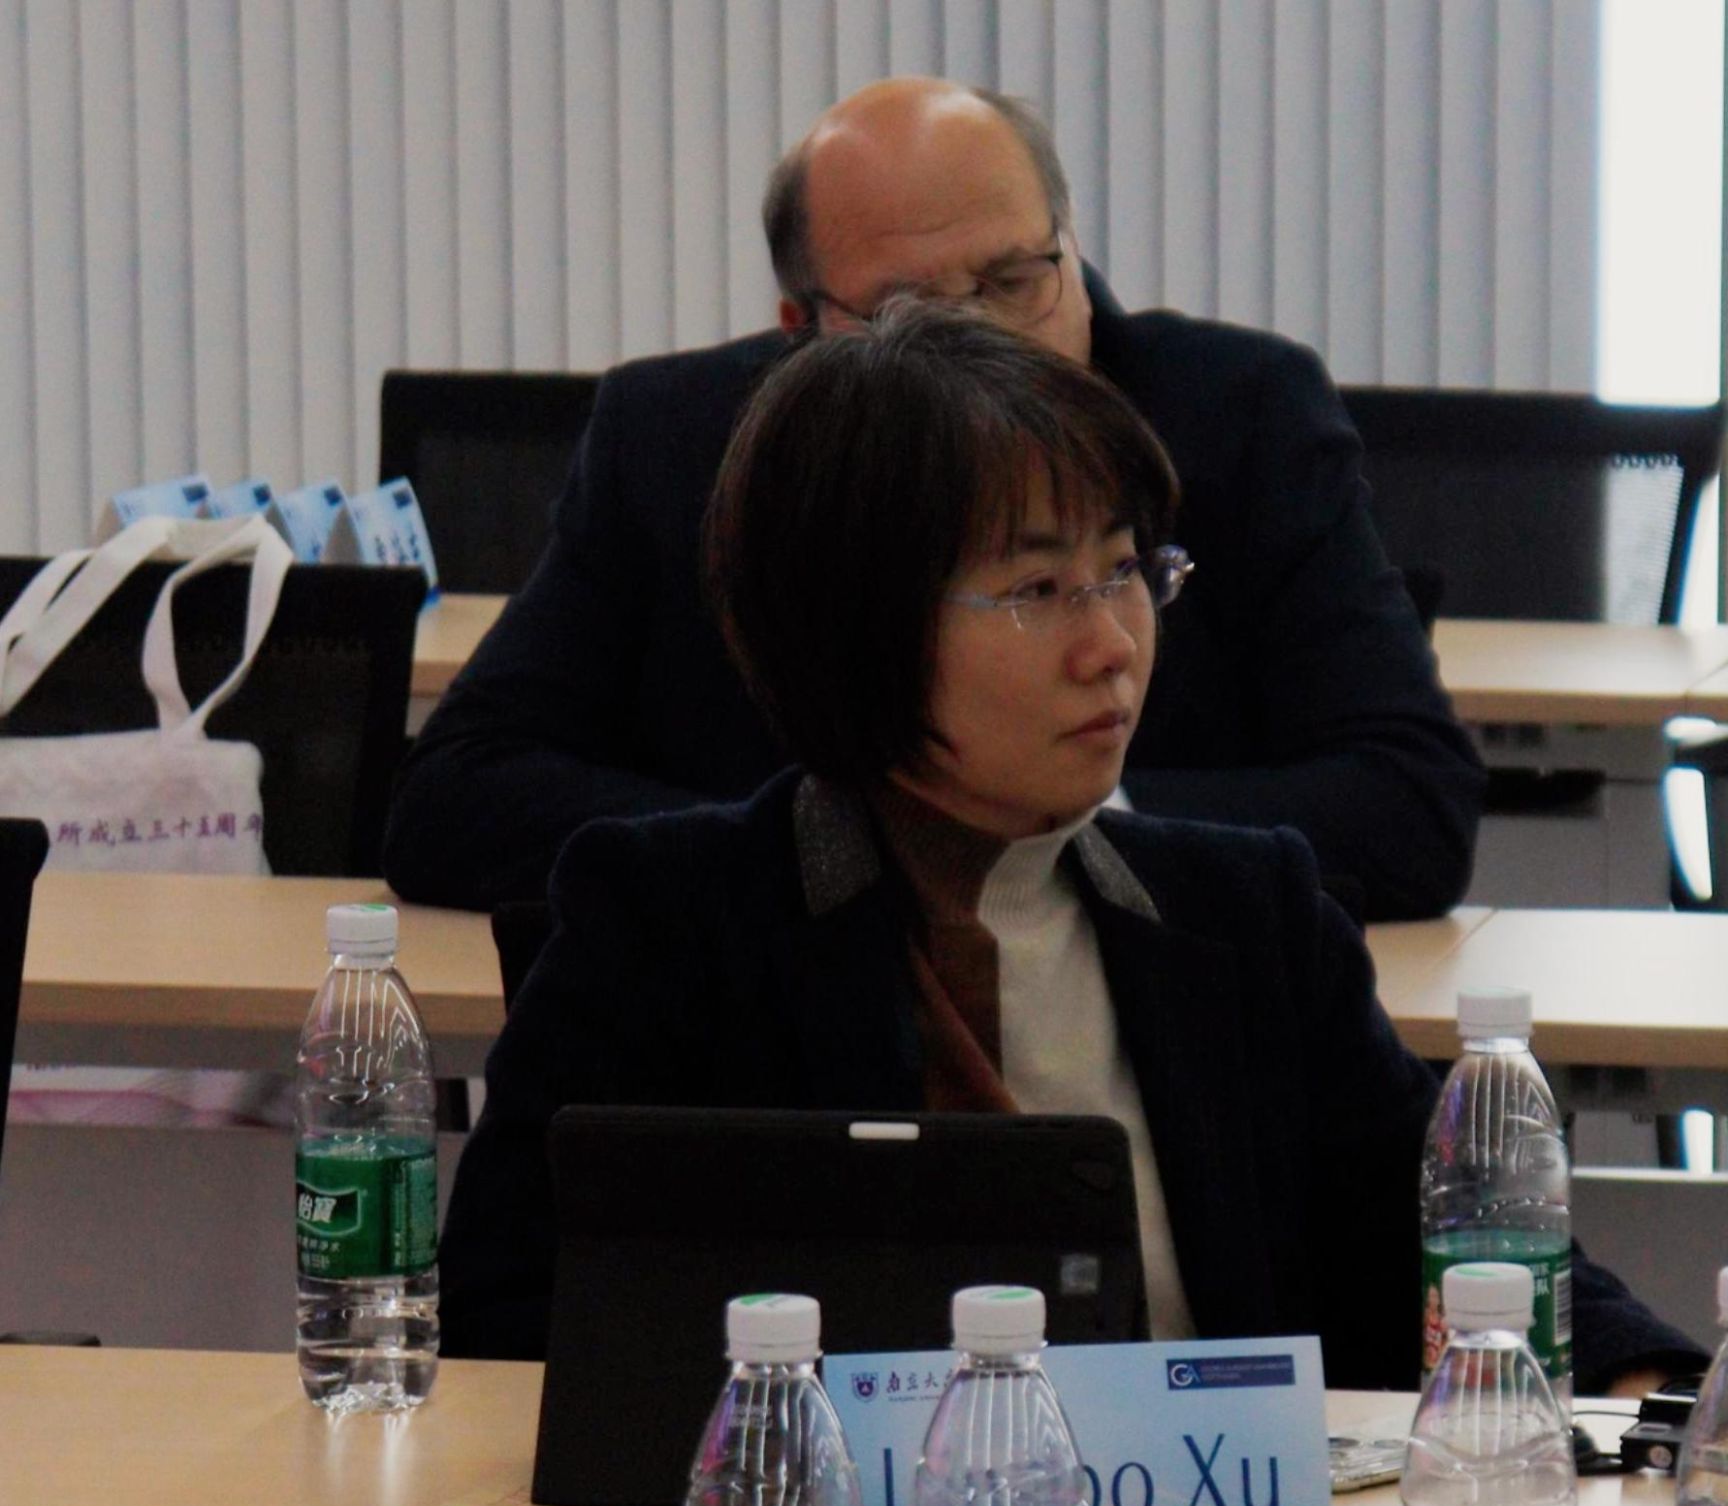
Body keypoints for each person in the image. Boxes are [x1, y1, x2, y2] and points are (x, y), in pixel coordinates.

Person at [437, 302, 1698, 1396]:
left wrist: (1650, 1389)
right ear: (855, 626)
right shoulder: (668, 928)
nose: (1112, 644)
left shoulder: (1245, 914)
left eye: (1125, 569)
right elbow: (501, 1345)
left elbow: (1463, 1252)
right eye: (1037, 591)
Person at [383, 77, 1484, 924]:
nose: (985, 340)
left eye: (1014, 282)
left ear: (1071, 252)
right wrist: (827, 850)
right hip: (778, 1033)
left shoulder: (1240, 415)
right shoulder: (674, 440)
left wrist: (1051, 837)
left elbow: (1407, 805)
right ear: (803, 331)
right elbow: (455, 797)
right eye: (912, 310)